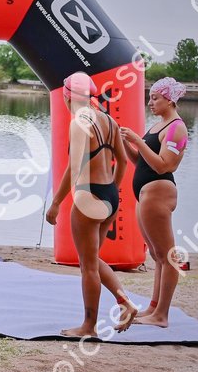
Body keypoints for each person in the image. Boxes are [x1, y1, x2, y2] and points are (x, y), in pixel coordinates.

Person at [46, 73, 137, 337]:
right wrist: (113, 189)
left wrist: (55, 203)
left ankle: (89, 326)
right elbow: (122, 161)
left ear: (67, 97)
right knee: (92, 259)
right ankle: (125, 301)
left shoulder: (79, 123)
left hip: (89, 196)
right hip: (109, 195)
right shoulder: (108, 120)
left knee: (87, 266)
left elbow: (73, 168)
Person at [120, 77, 188, 328]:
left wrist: (137, 140)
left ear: (169, 100)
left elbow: (164, 166)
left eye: (155, 98)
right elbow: (140, 162)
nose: (150, 102)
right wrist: (125, 142)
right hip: (145, 193)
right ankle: (153, 307)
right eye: (149, 97)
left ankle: (162, 315)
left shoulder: (177, 128)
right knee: (157, 254)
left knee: (168, 255)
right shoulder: (158, 125)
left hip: (159, 191)